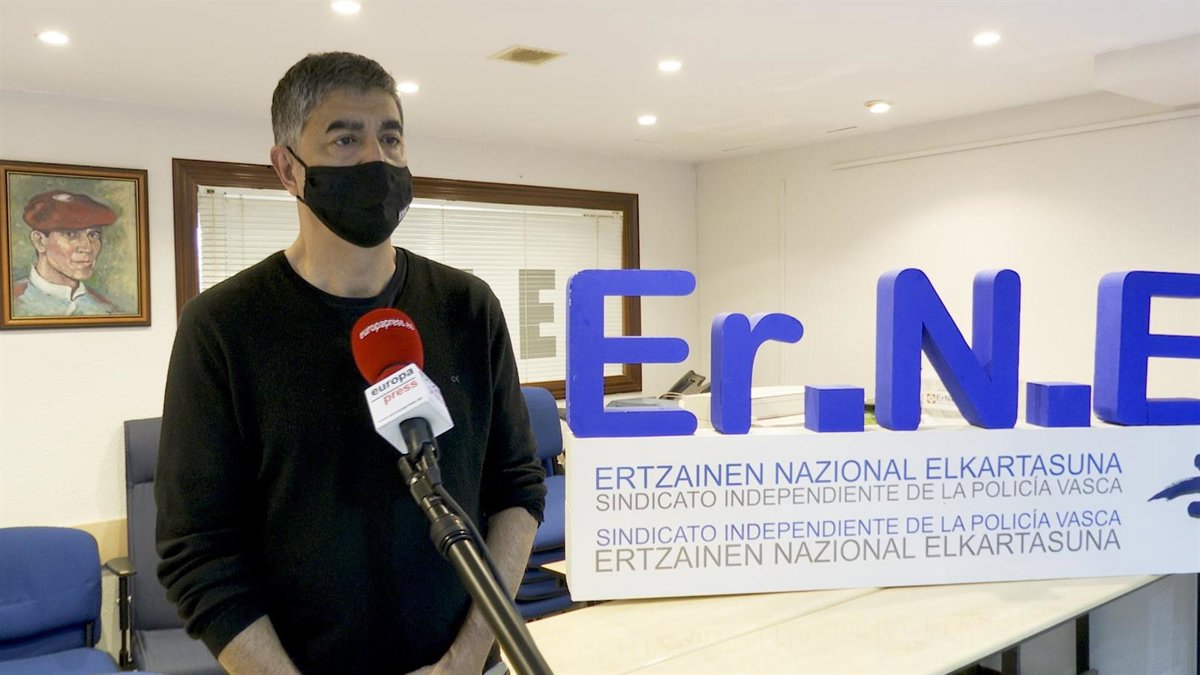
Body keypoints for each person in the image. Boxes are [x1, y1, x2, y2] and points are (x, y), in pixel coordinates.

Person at [155, 52, 546, 675]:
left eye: (391, 138)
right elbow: (197, 552)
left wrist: (466, 658)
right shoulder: (222, 327)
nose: (377, 160)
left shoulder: (467, 307)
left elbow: (517, 489)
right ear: (288, 168)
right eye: (345, 139)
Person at [12, 190, 120, 316]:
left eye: (93, 235)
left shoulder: (107, 309)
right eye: (71, 234)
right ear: (40, 241)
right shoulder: (13, 301)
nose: (88, 248)